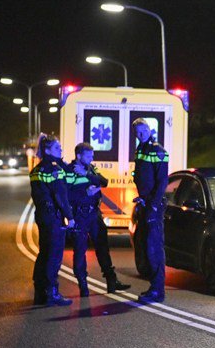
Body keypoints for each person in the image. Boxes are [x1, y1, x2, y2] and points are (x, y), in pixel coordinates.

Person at [65, 143, 131, 296]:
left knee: (102, 247)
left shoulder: (91, 168)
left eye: (92, 156)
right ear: (79, 156)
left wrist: (87, 174)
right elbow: (66, 196)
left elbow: (104, 182)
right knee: (80, 251)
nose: (92, 158)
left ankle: (112, 282)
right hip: (80, 215)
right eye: (89, 156)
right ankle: (83, 285)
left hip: (94, 214)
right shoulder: (69, 171)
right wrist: (85, 194)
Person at [29, 134, 74, 306]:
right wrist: (69, 217)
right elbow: (61, 196)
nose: (61, 150)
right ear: (48, 150)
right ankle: (51, 293)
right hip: (53, 217)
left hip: (42, 216)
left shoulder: (36, 170)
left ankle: (40, 293)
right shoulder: (55, 170)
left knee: (44, 254)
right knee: (54, 257)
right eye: (57, 148)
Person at [131, 119, 169, 303]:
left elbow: (162, 182)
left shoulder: (157, 150)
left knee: (154, 248)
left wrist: (153, 205)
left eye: (143, 131)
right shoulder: (140, 149)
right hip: (146, 204)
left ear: (149, 129)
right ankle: (153, 287)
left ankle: (158, 291)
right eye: (137, 132)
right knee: (146, 246)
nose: (140, 134)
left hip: (154, 206)